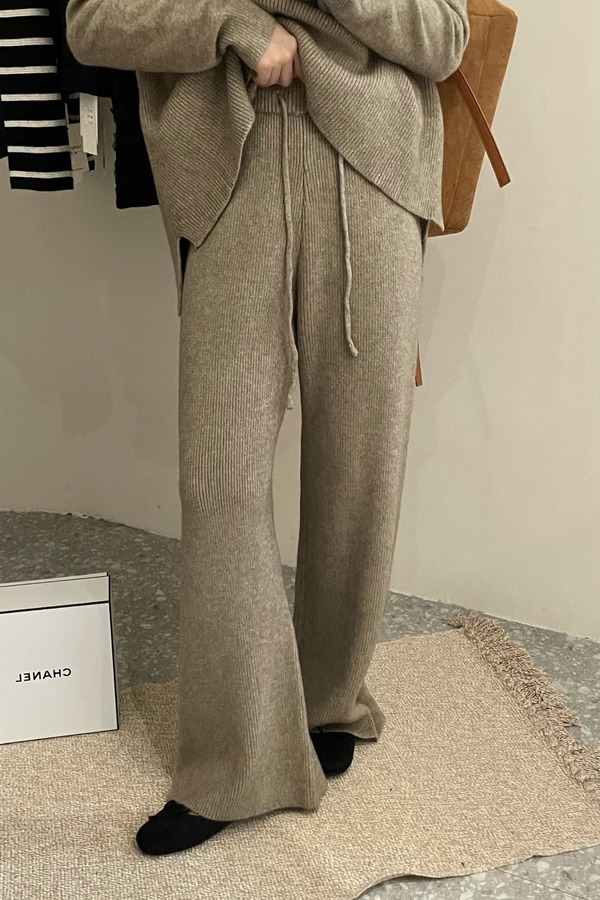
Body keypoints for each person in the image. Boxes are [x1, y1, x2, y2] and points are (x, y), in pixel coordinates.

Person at [65, 0, 470, 856]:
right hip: (229, 171)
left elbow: (445, 39)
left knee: (360, 458)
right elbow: (91, 21)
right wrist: (229, 22)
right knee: (219, 480)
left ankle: (329, 700)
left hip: (372, 173)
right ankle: (235, 761)